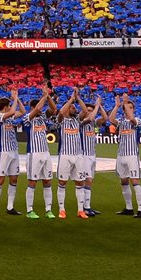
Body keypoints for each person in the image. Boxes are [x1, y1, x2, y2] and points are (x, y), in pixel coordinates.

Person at [23, 86, 57, 219]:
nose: (41, 108)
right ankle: (29, 210)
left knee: (47, 181)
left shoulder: (42, 118)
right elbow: (38, 108)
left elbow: (54, 109)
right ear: (32, 107)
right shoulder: (28, 118)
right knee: (32, 182)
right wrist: (44, 96)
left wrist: (48, 97)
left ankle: (48, 209)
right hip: (34, 153)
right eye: (38, 106)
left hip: (45, 153)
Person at [0, 89, 25, 215]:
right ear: (5, 107)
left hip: (14, 151)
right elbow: (11, 112)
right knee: (0, 179)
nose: (11, 107)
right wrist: (14, 98)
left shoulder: (9, 117)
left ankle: (10, 207)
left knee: (14, 179)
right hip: (3, 151)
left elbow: (23, 111)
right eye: (9, 105)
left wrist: (17, 99)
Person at [109, 95, 141, 218]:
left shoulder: (138, 120)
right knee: (123, 181)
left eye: (130, 108)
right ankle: (129, 208)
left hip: (132, 155)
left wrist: (126, 104)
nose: (128, 110)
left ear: (133, 110)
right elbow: (111, 118)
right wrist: (117, 106)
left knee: (135, 181)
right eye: (126, 108)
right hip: (121, 155)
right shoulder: (121, 122)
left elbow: (133, 120)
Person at [54, 90, 84, 219]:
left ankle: (80, 210)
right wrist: (71, 99)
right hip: (65, 155)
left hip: (78, 155)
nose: (74, 109)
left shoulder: (77, 120)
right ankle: (62, 209)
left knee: (79, 182)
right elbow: (61, 113)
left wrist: (77, 99)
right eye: (72, 107)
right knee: (62, 182)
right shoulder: (61, 121)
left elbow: (86, 112)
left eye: (74, 107)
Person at [77, 93, 106, 216]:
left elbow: (105, 118)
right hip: (84, 156)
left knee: (90, 181)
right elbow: (89, 118)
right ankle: (85, 207)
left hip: (92, 155)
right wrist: (96, 106)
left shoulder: (94, 123)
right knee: (86, 180)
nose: (89, 113)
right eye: (87, 111)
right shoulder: (82, 122)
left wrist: (99, 107)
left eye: (91, 110)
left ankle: (87, 207)